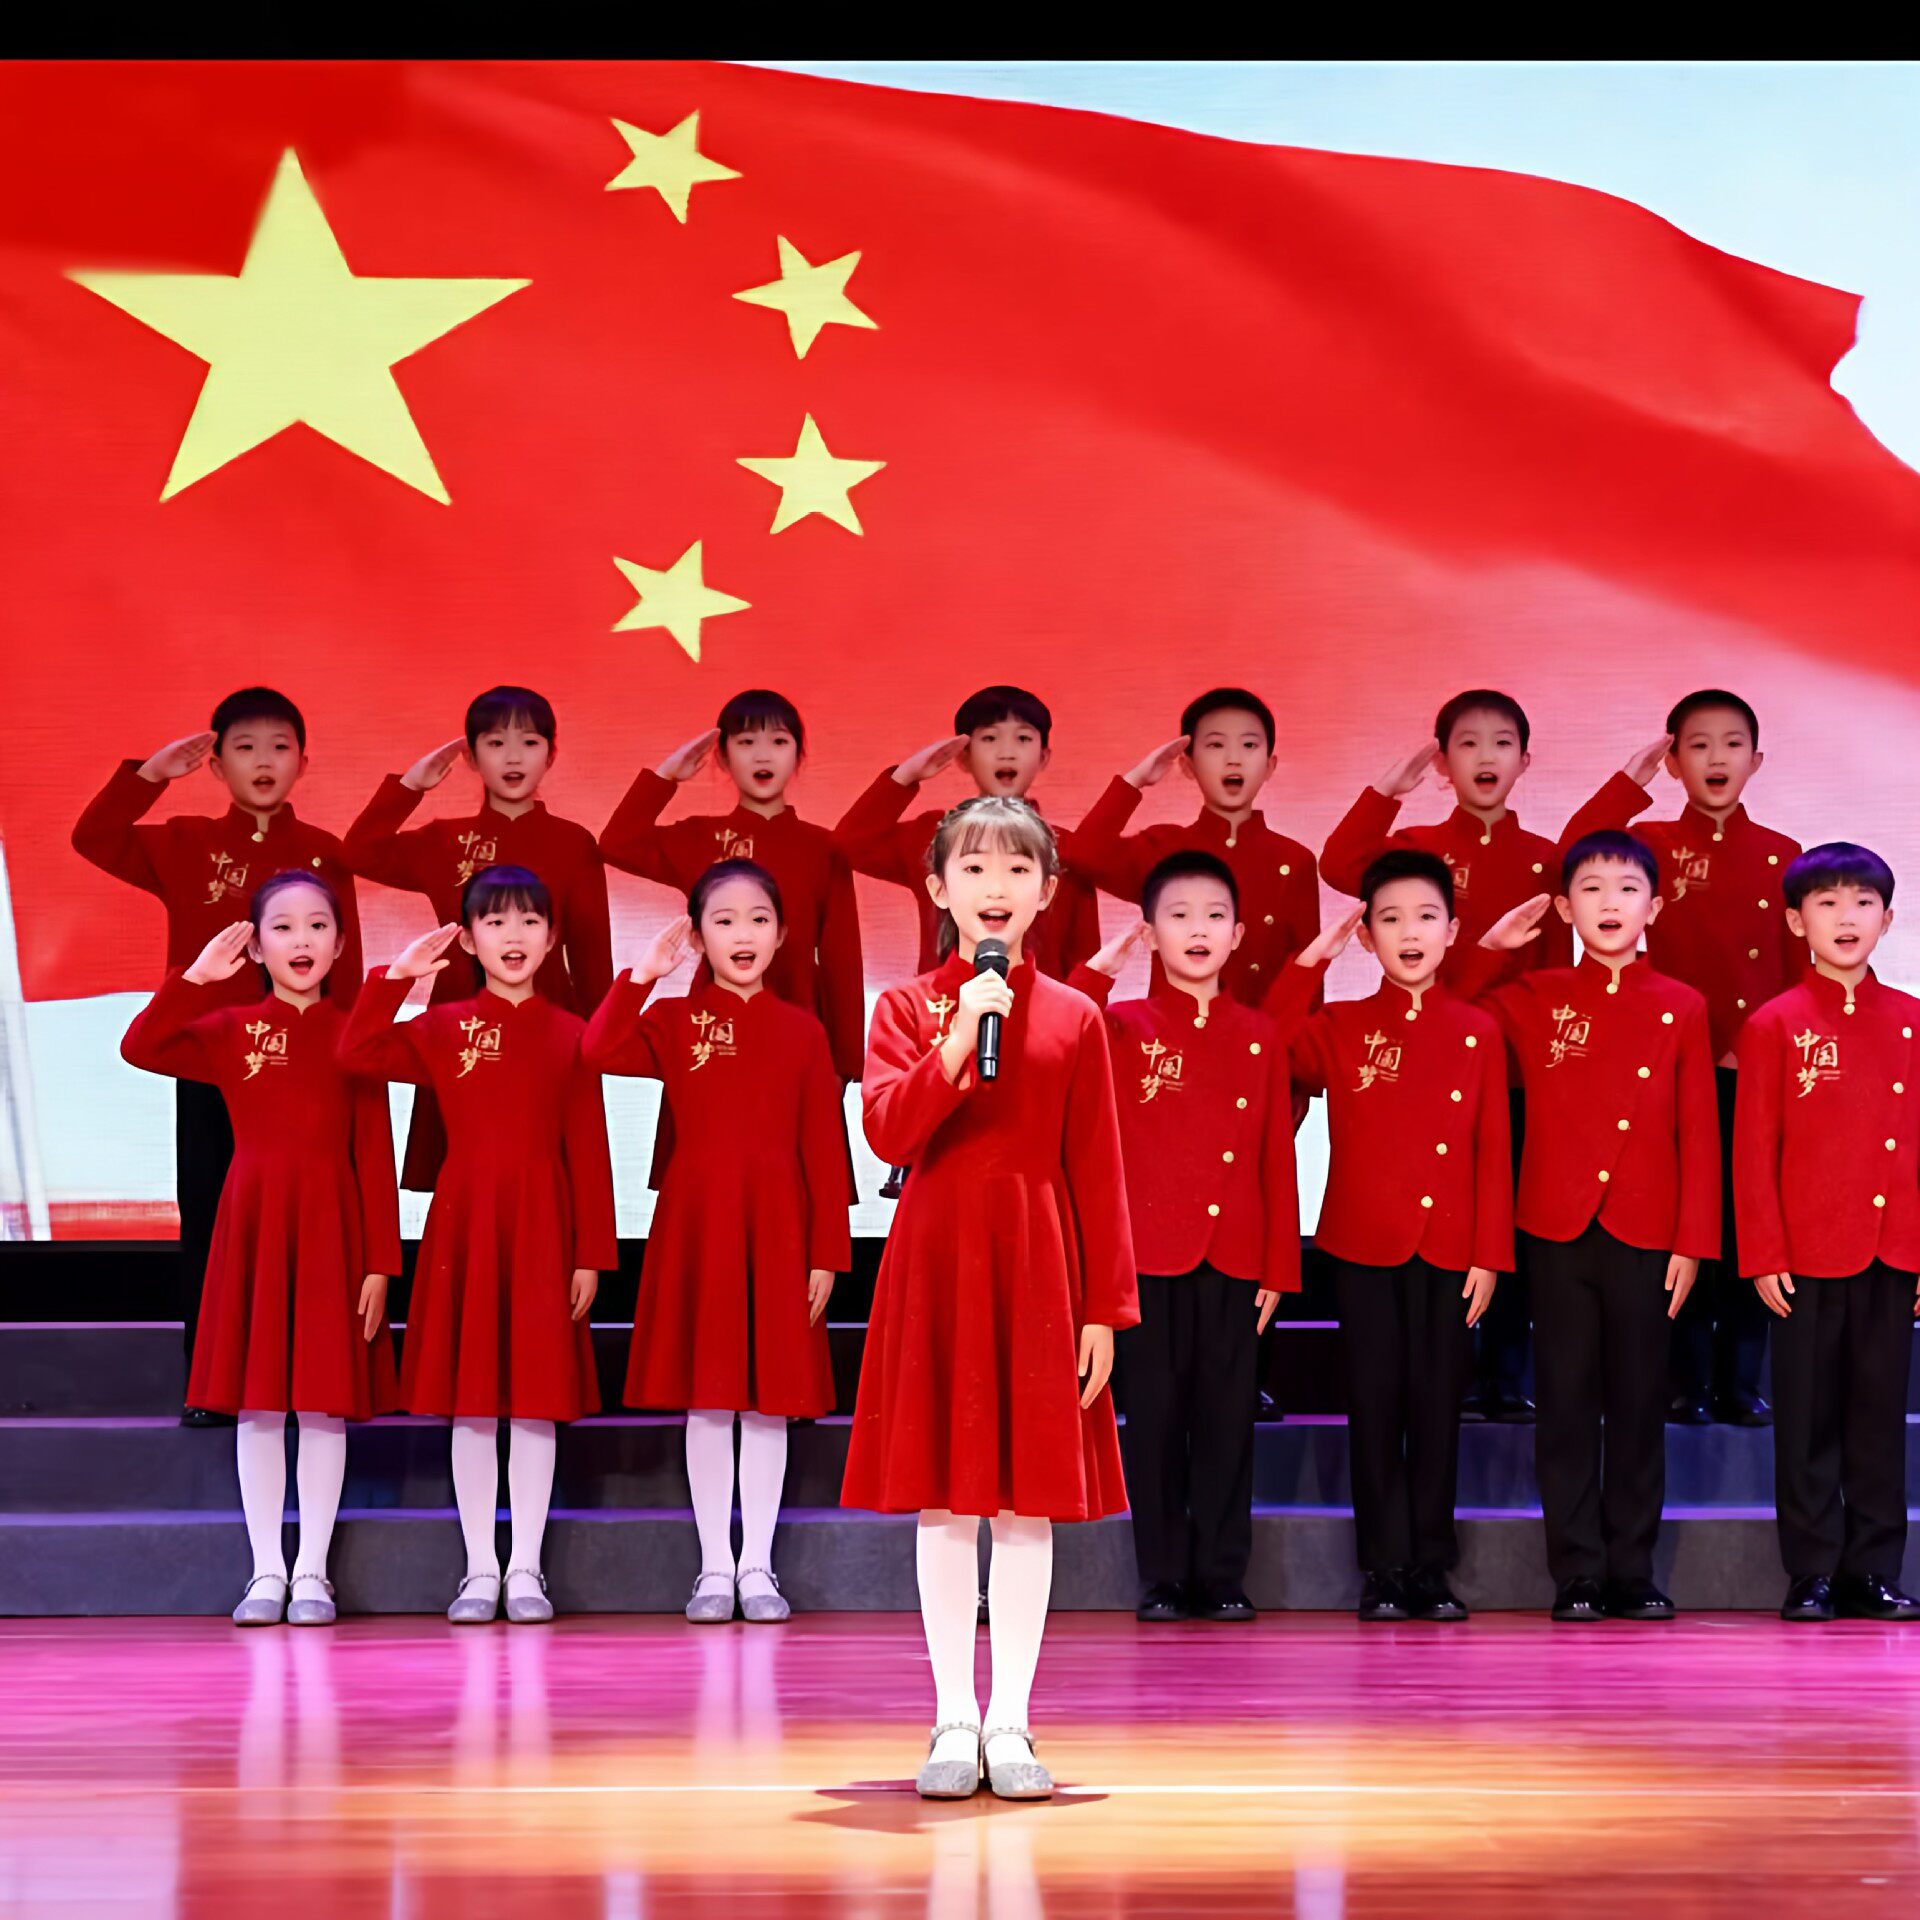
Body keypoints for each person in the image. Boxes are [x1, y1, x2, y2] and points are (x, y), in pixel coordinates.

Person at [842, 796, 1137, 1801]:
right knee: (943, 1496)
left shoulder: (1078, 1016)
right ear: (938, 888)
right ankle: (951, 1718)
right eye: (973, 869)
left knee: (1024, 1500)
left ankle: (1010, 1717)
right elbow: (890, 1133)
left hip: (1040, 1265)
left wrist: (1105, 1308)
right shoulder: (902, 1009)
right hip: (937, 1263)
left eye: (1017, 870)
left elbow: (1098, 1168)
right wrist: (961, 1037)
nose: (996, 888)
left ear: (1048, 890)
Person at [73, 687, 363, 1427]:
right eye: (245, 747)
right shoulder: (186, 842)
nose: (264, 761)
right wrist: (151, 775)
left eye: (279, 747)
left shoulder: (325, 851)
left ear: (303, 762)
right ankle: (210, 1383)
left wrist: (352, 1057)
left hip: (306, 1073)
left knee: (310, 1225)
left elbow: (350, 968)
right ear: (217, 765)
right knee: (211, 1219)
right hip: (213, 1065)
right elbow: (94, 836)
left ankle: (310, 1374)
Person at [339, 865, 616, 1626]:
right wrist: (397, 978)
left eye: (529, 922)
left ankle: (525, 1567)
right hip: (464, 1223)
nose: (513, 936)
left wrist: (591, 1251)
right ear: (467, 940)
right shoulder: (444, 1025)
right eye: (495, 922)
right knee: (471, 1407)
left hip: (544, 1226)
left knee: (534, 1405)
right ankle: (478, 1568)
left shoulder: (572, 1032)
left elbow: (589, 1148)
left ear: (552, 938)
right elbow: (357, 1052)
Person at [120, 873, 399, 1627]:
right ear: (255, 947)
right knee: (260, 1406)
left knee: (323, 1406)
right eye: (282, 927)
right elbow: (141, 1046)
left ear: (340, 943)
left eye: (318, 926)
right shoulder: (230, 1028)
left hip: (334, 1229)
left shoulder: (356, 1032)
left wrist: (381, 1261)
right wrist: (195, 978)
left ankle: (313, 1574)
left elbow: (374, 1153)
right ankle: (266, 1571)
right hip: (254, 1226)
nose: (301, 940)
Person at [583, 859, 850, 1625]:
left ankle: (757, 1567)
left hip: (780, 1226)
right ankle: (713, 1568)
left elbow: (823, 1149)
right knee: (708, 1400)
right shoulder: (673, 1020)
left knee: (768, 1405)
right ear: (698, 936)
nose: (743, 933)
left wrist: (828, 1252)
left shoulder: (803, 1030)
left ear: (783, 934)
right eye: (723, 920)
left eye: (759, 919)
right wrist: (643, 975)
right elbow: (598, 1050)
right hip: (697, 1225)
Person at [1469, 831, 1718, 1623]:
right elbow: (1456, 1019)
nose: (1610, 904)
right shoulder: (1534, 993)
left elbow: (1698, 1130)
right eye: (1592, 890)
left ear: (1655, 906)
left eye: (1627, 889)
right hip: (1555, 1226)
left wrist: (1693, 1240)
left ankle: (1633, 1570)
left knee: (1640, 1406)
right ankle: (1577, 1571)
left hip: (1648, 1230)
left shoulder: (1682, 1004)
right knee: (1567, 1406)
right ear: (1564, 906)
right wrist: (1494, 946)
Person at [1268, 850, 1512, 1623]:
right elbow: (1265, 1049)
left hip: (1451, 1250)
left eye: (1426, 918)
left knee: (1438, 1411)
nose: (1410, 934)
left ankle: (1430, 1568)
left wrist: (1490, 1254)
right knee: (1374, 1413)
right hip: (1362, 1247)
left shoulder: (1477, 1030)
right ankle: (1382, 1569)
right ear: (1367, 937)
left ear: (1452, 931)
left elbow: (1492, 1149)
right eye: (1391, 920)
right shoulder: (1340, 1025)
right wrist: (1311, 961)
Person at [1320, 690, 1568, 1424]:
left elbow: (1556, 972)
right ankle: (1449, 1373)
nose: (1485, 756)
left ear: (1525, 761)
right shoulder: (1417, 848)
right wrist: (1386, 793)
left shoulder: (1545, 860)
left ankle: (1506, 1374)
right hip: (1424, 1069)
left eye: (1501, 743)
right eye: (1467, 743)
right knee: (1440, 1226)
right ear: (1443, 762)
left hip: (1515, 1070)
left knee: (1508, 1223)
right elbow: (1340, 864)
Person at [1563, 692, 1801, 1426]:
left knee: (1750, 1223)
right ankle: (1685, 1379)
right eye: (1697, 745)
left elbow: (1799, 966)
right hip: (1666, 1067)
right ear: (1673, 762)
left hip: (1752, 1068)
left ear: (1756, 760)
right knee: (1680, 1225)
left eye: (1732, 744)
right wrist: (1628, 783)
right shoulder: (1652, 843)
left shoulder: (1782, 854)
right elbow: (1572, 856)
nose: (1716, 758)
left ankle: (1741, 1381)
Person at [1070, 850, 1295, 1624]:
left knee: (1229, 1424)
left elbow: (1275, 1157)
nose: (1198, 931)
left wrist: (1278, 1265)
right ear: (1150, 933)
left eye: (1214, 917)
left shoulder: (1260, 1034)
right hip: (1146, 1256)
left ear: (1238, 935)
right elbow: (1058, 1026)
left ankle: (1223, 1575)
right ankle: (1162, 1576)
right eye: (1179, 916)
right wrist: (1103, 967)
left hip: (1234, 1256)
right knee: (1155, 1425)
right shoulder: (1122, 1025)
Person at [1734, 843, 1920, 1622]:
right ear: (1794, 921)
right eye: (1828, 902)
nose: (1847, 917)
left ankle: (1873, 1571)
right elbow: (1754, 1150)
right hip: (1804, 1256)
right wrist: (1764, 1252)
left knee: (1878, 1420)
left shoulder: (1911, 1021)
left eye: (1862, 902)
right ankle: (1811, 1571)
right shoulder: (1774, 1024)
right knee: (1806, 1418)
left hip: (1893, 1248)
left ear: (1888, 917)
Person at [341, 684, 612, 1188]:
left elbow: (593, 958)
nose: (513, 757)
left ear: (551, 755)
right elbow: (358, 853)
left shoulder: (573, 843)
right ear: (470, 757)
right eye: (495, 743)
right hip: (458, 1028)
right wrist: (411, 787)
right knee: (463, 1171)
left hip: (547, 1028)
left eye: (529, 743)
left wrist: (596, 1044)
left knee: (548, 1175)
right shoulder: (445, 840)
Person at [599, 690, 865, 1086]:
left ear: (798, 755)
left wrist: (845, 1064)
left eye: (779, 741)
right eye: (746, 742)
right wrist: (666, 777)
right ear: (722, 757)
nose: (763, 756)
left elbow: (841, 958)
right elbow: (617, 843)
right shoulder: (700, 838)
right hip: (710, 1033)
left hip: (799, 1031)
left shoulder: (822, 847)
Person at [1060, 687, 1319, 1008]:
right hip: (1169, 1032)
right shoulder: (1165, 848)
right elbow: (1083, 853)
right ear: (1188, 765)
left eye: (1249, 745)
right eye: (1216, 745)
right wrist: (1136, 780)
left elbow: (1306, 976)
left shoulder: (1294, 860)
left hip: (1260, 1034)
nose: (1233, 759)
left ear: (1269, 766)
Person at [832, 685, 1102, 977]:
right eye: (989, 738)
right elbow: (849, 845)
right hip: (943, 1003)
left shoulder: (1066, 850)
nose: (1007, 753)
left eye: (1023, 738)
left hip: (1040, 1005)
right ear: (964, 756)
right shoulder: (933, 837)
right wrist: (907, 775)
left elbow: (1084, 962)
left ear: (1043, 757)